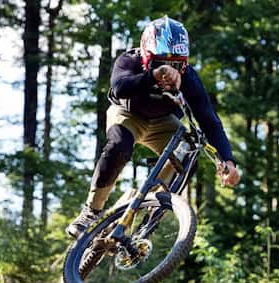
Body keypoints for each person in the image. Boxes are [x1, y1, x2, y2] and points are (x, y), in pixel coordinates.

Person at [66, 15, 240, 238]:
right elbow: (119, 87)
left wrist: (228, 159)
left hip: (163, 122)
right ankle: (92, 211)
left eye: (177, 64)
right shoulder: (129, 60)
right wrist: (152, 76)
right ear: (146, 55)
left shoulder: (189, 78)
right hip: (127, 113)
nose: (169, 71)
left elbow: (209, 121)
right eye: (161, 63)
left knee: (188, 154)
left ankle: (149, 214)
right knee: (119, 146)